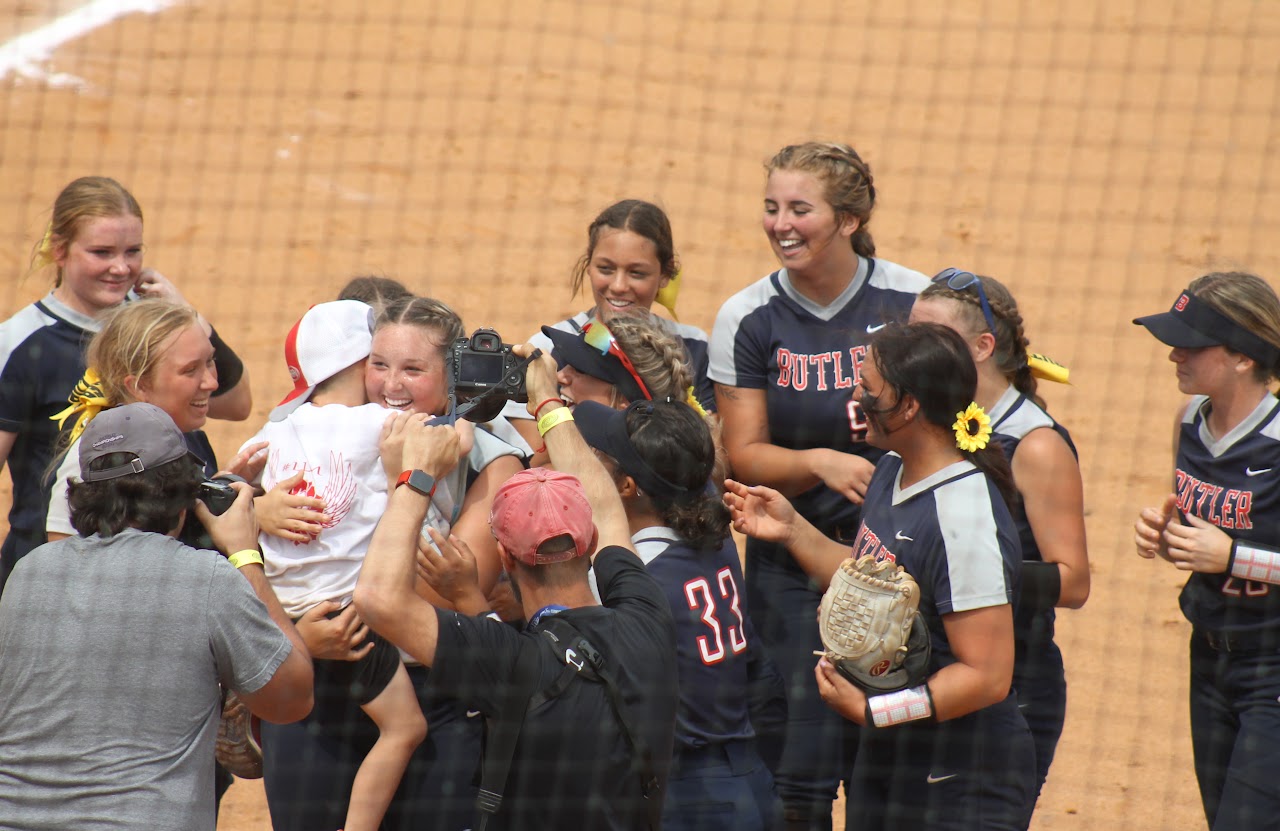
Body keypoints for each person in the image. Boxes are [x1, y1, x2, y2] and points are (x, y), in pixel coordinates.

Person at [724, 322, 1035, 830]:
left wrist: (877, 711)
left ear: (909, 406)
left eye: (868, 387)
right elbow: (870, 583)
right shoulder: (893, 467)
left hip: (959, 773)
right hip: (897, 751)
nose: (855, 394)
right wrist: (792, 530)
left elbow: (987, 676)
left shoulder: (965, 519)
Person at [354, 344, 679, 830]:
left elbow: (377, 599)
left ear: (504, 557)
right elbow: (609, 510)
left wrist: (414, 475)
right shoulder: (647, 616)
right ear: (589, 542)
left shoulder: (509, 662)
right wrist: (547, 402)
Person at [707, 141, 929, 829]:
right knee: (794, 771)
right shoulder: (748, 317)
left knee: (886, 761)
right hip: (786, 569)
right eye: (772, 208)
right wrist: (820, 463)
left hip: (897, 562)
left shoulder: (911, 301)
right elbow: (743, 453)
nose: (781, 224)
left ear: (849, 218)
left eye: (801, 209)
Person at [262, 294, 524, 831]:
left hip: (434, 699)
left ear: (451, 377)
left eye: (413, 369)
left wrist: (401, 482)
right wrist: (261, 512)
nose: (391, 385)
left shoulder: (489, 460)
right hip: (323, 693)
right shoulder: (315, 432)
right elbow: (254, 555)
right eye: (378, 366)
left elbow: (437, 593)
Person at [0, 402, 313, 830]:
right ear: (184, 494)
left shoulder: (30, 573)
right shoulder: (206, 579)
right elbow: (292, 697)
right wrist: (245, 554)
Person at [0, 176, 251, 588]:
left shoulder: (154, 324)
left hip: (150, 558)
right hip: (48, 562)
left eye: (133, 252)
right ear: (59, 250)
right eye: (102, 252)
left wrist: (184, 314)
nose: (121, 267)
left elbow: (235, 404)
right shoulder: (19, 344)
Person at [245, 300, 428, 831]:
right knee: (405, 728)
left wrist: (257, 505)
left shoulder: (276, 431)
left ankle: (238, 711)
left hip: (287, 621)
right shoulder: (380, 423)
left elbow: (231, 489)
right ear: (361, 360)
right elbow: (448, 437)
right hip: (357, 619)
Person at [909, 269, 1089, 801]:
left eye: (932, 336)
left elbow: (1073, 582)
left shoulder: (1034, 445)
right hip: (937, 671)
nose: (914, 347)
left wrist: (952, 577)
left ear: (983, 346)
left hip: (1015, 685)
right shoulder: (931, 419)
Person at [573, 399, 782, 831]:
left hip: (687, 794)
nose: (593, 463)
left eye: (601, 458)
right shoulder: (718, 540)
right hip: (747, 774)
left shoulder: (637, 578)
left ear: (627, 487)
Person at [1132, 272, 1280, 831]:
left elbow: (1230, 550)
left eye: (1193, 343)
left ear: (1243, 357)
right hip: (1211, 658)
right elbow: (1206, 536)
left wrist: (1234, 557)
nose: (1175, 354)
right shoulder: (1190, 421)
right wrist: (1170, 538)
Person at [43, 299, 262, 547]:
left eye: (209, 362)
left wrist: (219, 490)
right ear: (140, 386)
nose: (211, 382)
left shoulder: (189, 437)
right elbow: (61, 561)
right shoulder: (99, 459)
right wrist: (258, 517)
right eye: (190, 370)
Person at [501, 199, 715, 452]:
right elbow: (529, 458)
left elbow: (712, 453)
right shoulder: (545, 346)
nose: (618, 286)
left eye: (637, 273)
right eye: (606, 268)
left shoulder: (694, 347)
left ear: (665, 275)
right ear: (588, 265)